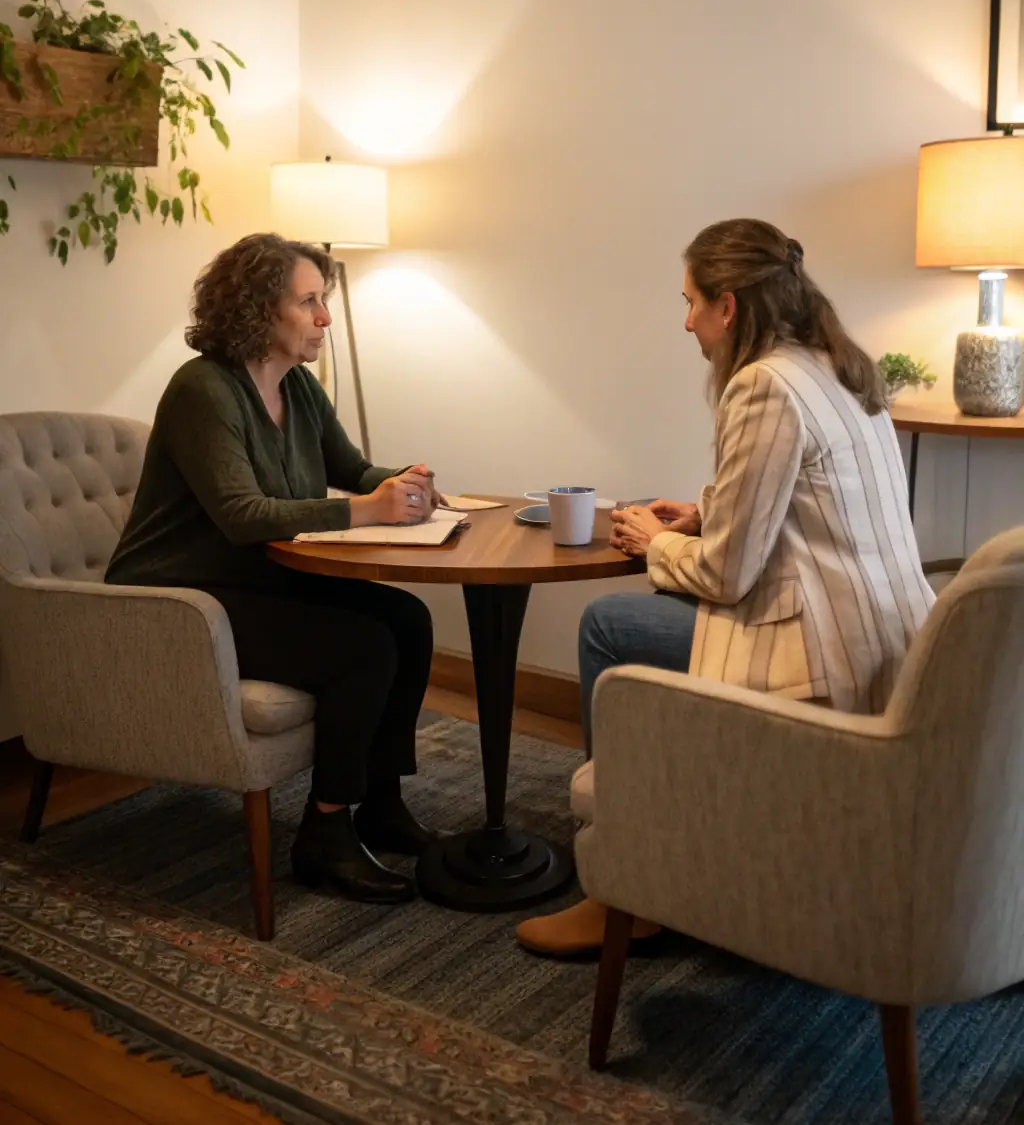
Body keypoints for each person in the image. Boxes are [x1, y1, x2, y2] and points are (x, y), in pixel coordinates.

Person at [516, 217, 935, 956]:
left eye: (691, 302)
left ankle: (626, 885)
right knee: (661, 603)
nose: (687, 323)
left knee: (609, 623)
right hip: (886, 646)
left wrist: (658, 542)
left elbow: (727, 574)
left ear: (729, 305)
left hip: (824, 663)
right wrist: (705, 514)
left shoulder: (764, 385)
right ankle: (661, 843)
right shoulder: (836, 366)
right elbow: (812, 506)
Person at [106, 233, 442, 906]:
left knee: (408, 618)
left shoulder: (300, 388)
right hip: (179, 597)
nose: (324, 317)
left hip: (250, 578)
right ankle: (324, 832)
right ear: (259, 308)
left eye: (324, 300)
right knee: (363, 648)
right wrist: (370, 510)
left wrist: (405, 482)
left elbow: (353, 470)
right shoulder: (204, 389)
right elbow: (241, 515)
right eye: (309, 301)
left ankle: (381, 802)